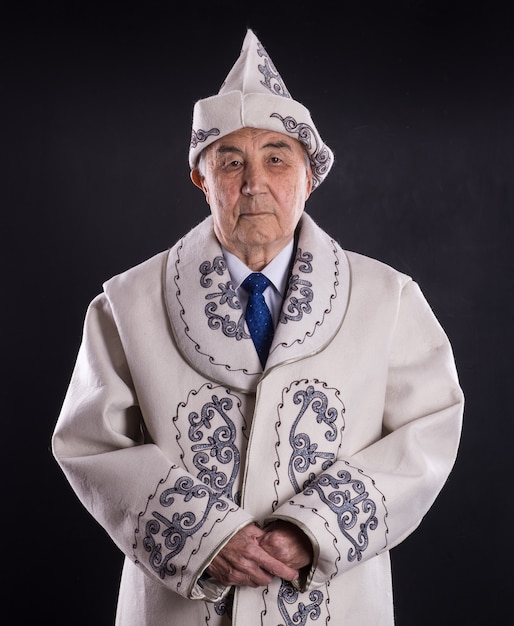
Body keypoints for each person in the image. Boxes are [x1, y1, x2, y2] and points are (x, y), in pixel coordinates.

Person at [52, 29, 464, 626]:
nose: (254, 183)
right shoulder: (126, 302)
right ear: (201, 178)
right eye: (231, 162)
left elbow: (430, 428)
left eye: (276, 158)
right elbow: (88, 441)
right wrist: (204, 537)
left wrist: (313, 529)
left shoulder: (388, 298)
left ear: (309, 175)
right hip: (180, 607)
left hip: (334, 602)